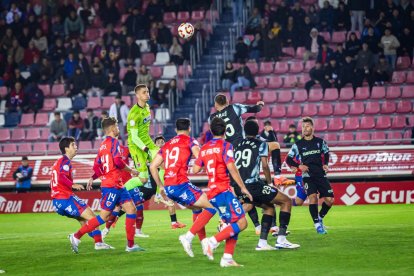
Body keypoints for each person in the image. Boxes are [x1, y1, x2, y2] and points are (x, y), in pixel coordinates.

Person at [150, 118, 219, 260]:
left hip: (169, 187)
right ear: (189, 128)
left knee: (197, 209)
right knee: (212, 207)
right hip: (180, 185)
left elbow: (152, 166)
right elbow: (200, 156)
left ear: (176, 130)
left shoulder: (167, 145)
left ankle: (204, 244)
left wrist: (161, 186)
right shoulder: (190, 140)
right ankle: (188, 237)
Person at [192, 117, 253, 267]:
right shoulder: (226, 145)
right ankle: (211, 242)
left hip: (212, 191)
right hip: (223, 190)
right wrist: (243, 187)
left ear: (211, 131)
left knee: (233, 224)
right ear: (225, 131)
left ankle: (227, 258)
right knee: (242, 222)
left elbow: (195, 169)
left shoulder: (204, 148)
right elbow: (232, 167)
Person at [233, 120, 300, 250]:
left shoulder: (237, 144)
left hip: (240, 185)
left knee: (269, 208)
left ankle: (262, 243)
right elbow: (264, 165)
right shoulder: (261, 144)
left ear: (245, 131)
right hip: (253, 185)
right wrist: (270, 183)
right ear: (257, 131)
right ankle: (281, 239)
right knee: (286, 201)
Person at [80, 117, 143, 253]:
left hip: (117, 184)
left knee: (131, 209)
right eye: (117, 126)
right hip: (112, 184)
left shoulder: (102, 145)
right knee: (104, 217)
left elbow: (97, 166)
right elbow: (118, 162)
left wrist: (94, 177)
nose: (119, 129)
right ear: (112, 128)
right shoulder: (114, 142)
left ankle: (130, 246)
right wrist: (131, 170)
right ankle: (76, 236)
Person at [51, 137, 113, 252]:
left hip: (57, 202)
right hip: (65, 197)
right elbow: (61, 177)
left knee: (84, 222)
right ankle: (86, 240)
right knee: (93, 217)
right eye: (73, 145)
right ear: (66, 148)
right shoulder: (65, 161)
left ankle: (98, 242)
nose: (76, 147)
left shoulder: (59, 161)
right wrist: (72, 185)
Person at [286, 117, 334, 234]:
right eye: (303, 127)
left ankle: (320, 217)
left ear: (312, 127)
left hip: (320, 175)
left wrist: (325, 164)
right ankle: (317, 224)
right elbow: (288, 159)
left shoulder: (320, 142)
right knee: (313, 197)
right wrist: (299, 167)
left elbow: (326, 153)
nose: (304, 129)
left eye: (307, 126)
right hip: (307, 176)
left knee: (330, 200)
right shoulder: (298, 145)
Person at [127, 84, 159, 189]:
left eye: (148, 91)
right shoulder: (134, 114)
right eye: (144, 92)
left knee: (162, 161)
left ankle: (160, 193)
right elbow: (135, 137)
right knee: (144, 179)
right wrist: (145, 149)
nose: (147, 94)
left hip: (147, 141)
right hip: (137, 146)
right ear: (137, 95)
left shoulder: (147, 107)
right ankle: (122, 191)